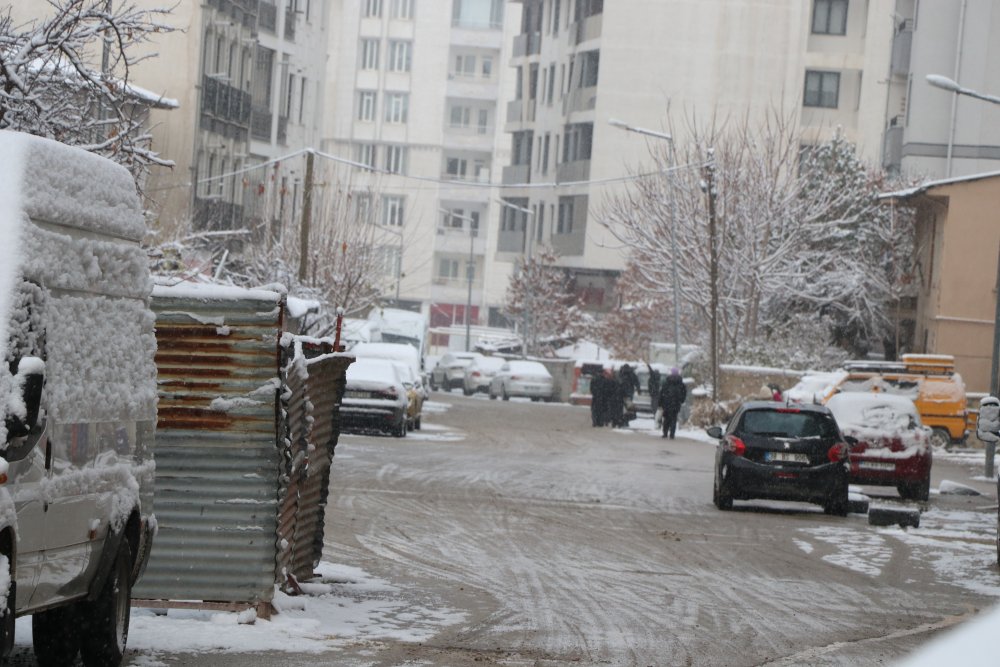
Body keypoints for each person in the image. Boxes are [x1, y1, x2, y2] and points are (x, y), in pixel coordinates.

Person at [658, 367, 687, 439]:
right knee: (673, 418)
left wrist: (660, 403)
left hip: (666, 403)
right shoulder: (681, 383)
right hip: (676, 404)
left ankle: (665, 433)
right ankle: (672, 434)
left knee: (666, 418)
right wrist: (681, 400)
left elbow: (662, 393)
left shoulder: (667, 382)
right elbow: (684, 393)